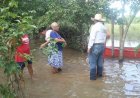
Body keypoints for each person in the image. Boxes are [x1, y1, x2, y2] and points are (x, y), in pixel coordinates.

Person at [87, 14, 109, 80]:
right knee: (100, 62)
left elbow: (92, 38)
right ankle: (99, 77)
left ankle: (92, 79)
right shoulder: (104, 27)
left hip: (95, 45)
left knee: (92, 63)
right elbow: (107, 36)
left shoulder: (94, 27)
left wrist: (89, 47)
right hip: (102, 46)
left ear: (95, 20)